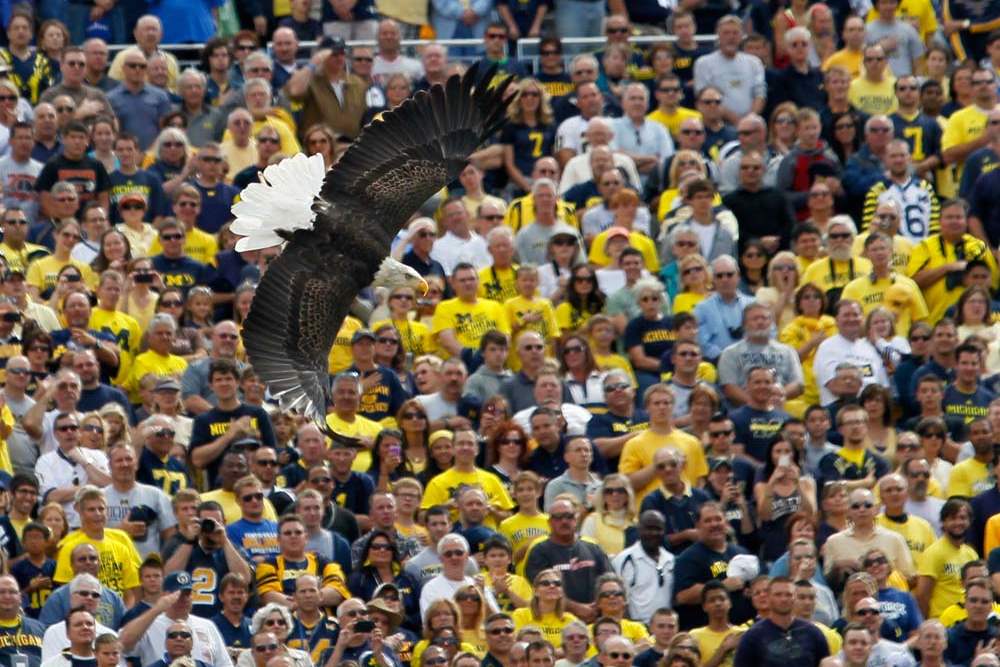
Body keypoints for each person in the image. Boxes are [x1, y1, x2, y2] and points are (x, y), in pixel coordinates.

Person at [524, 498, 611, 622]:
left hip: (596, 618)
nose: (564, 521)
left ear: (576, 520)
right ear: (549, 522)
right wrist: (577, 608)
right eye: (558, 517)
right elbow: (541, 591)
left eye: (568, 516)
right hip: (557, 621)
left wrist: (596, 606)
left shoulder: (593, 548)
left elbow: (608, 582)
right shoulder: (539, 552)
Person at [673, 502, 753, 629]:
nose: (714, 524)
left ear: (725, 522)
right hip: (705, 633)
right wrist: (723, 586)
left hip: (742, 629)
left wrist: (751, 592)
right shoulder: (688, 558)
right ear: (698, 526)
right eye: (708, 521)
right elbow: (682, 597)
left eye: (718, 519)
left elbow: (753, 586)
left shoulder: (741, 553)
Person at [733, 577, 829, 667]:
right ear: (769, 597)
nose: (783, 599)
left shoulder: (813, 633)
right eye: (778, 594)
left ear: (795, 597)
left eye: (788, 594)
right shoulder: (752, 637)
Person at [915, 498, 979, 619]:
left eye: (962, 518)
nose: (958, 522)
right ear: (943, 522)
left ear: (970, 522)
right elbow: (922, 595)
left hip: (966, 621)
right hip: (942, 622)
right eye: (953, 518)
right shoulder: (934, 553)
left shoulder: (971, 554)